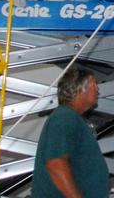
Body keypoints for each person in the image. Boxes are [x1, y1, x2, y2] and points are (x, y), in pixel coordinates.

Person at [33, 66, 108, 198]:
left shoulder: (69, 118)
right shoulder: (65, 118)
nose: (98, 89)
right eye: (94, 84)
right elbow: (56, 164)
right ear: (79, 89)